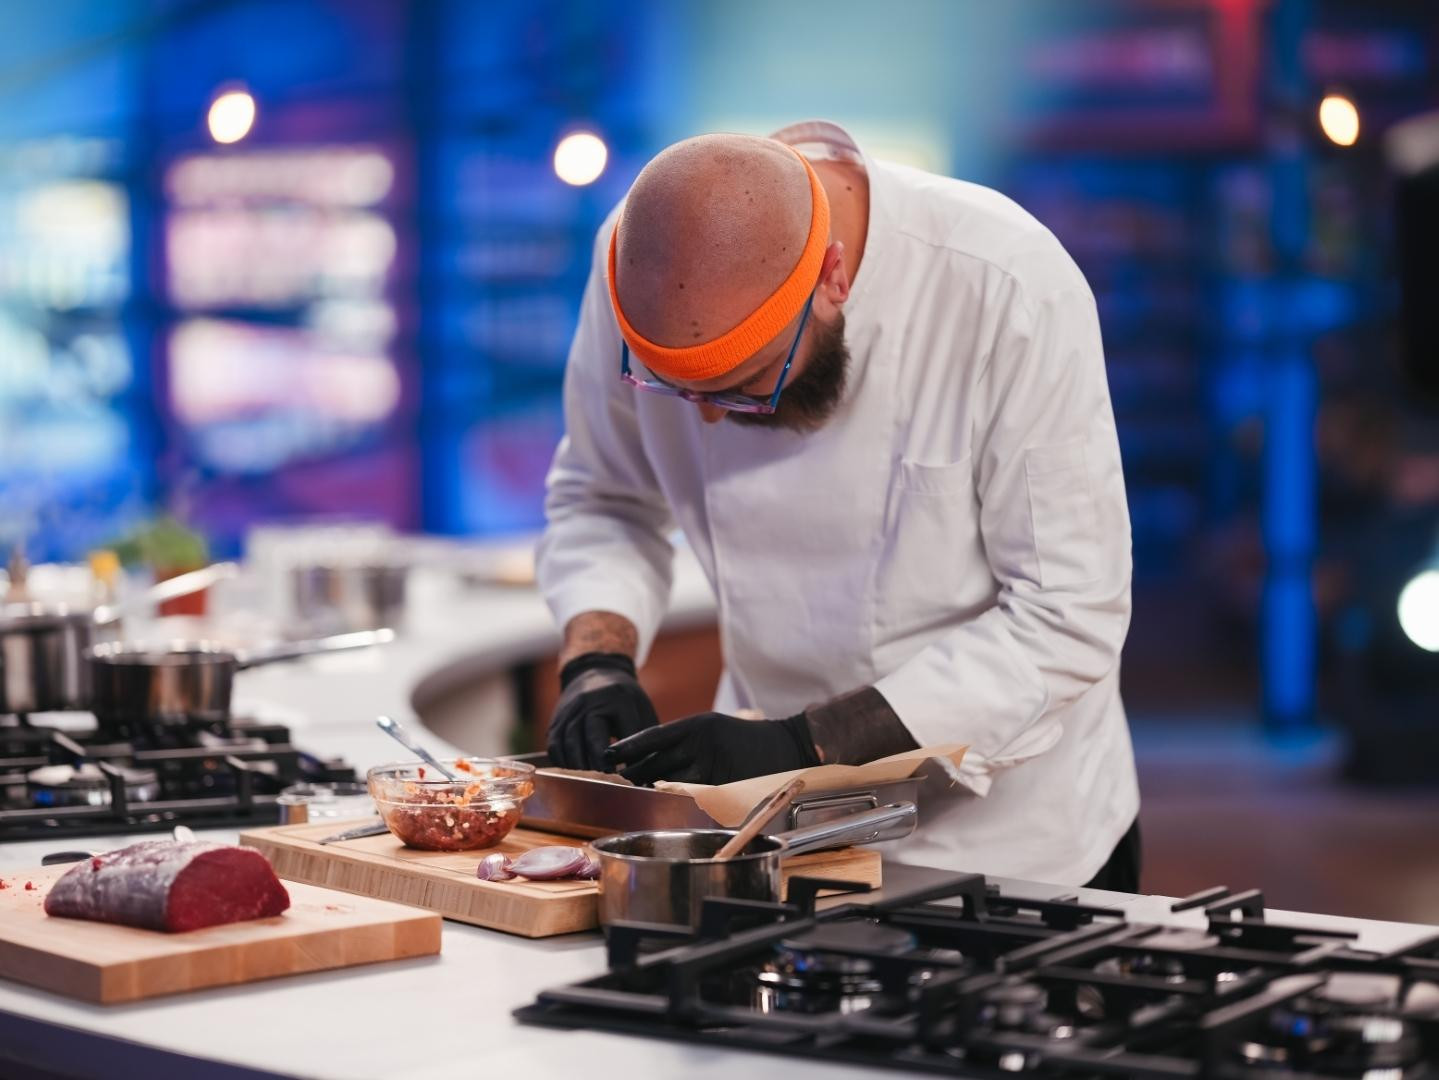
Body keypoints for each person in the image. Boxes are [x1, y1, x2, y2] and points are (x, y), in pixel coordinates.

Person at [536, 120, 1140, 890]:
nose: (708, 419)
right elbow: (606, 496)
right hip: (767, 819)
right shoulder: (638, 262)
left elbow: (1067, 612)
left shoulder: (1003, 280)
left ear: (833, 277)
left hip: (1007, 840)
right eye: (674, 390)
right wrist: (597, 662)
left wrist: (806, 745)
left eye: (744, 385)